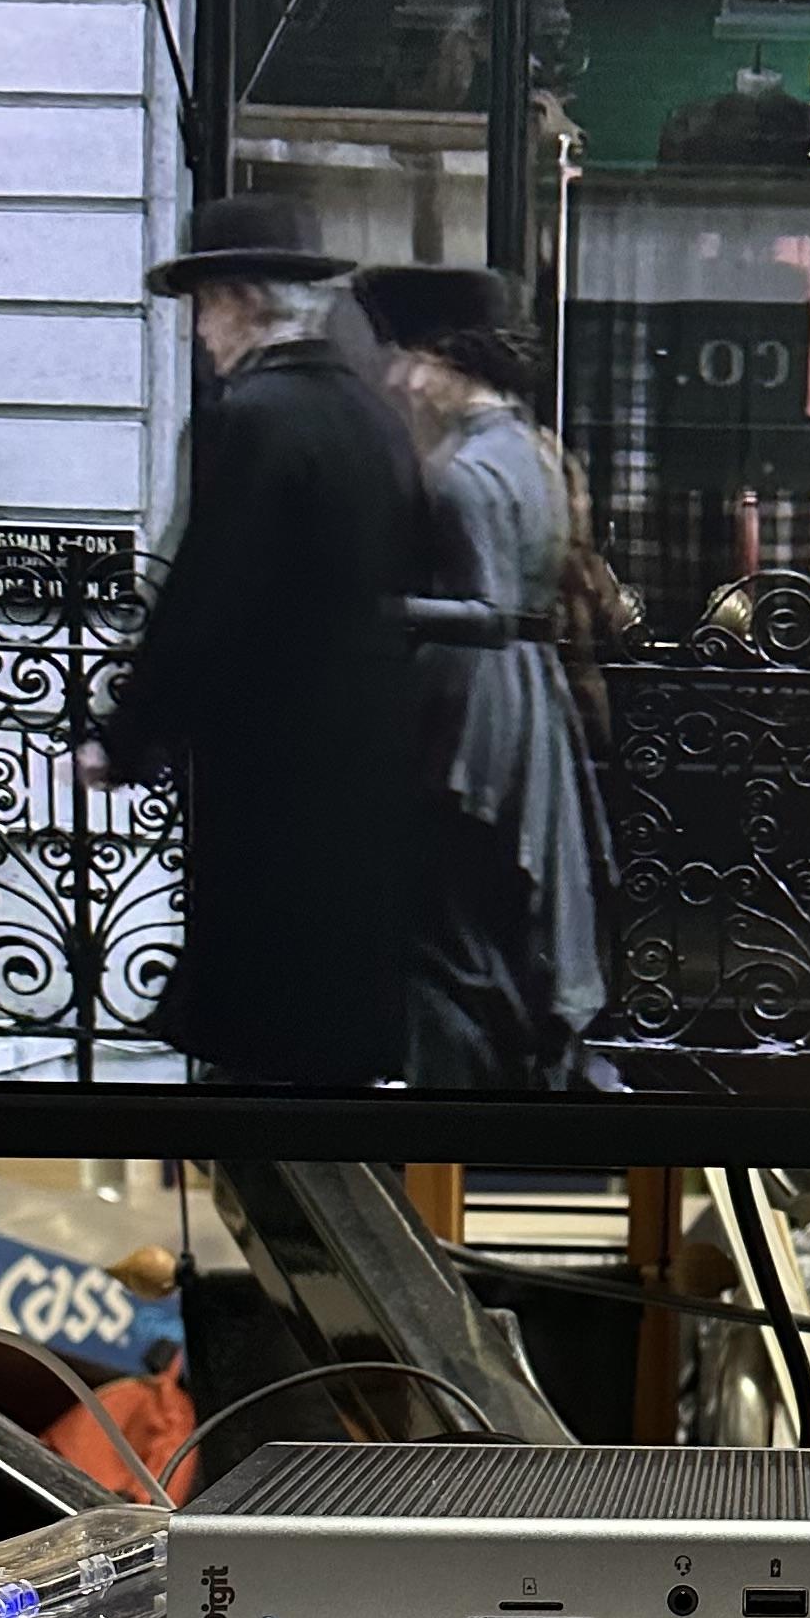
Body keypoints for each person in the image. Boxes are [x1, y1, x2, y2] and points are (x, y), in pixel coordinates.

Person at [94, 194, 428, 1084]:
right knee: (332, 1019)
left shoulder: (253, 416)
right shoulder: (370, 417)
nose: (201, 332)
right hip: (366, 750)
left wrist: (127, 737)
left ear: (240, 301)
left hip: (275, 756)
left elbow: (206, 595)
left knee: (263, 1027)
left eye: (206, 308)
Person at [353, 263, 618, 1093]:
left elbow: (489, 611)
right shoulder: (532, 452)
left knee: (452, 915)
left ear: (446, 360)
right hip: (527, 691)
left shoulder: (467, 471)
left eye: (406, 359)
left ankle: (465, 1084)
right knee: (492, 906)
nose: (397, 381)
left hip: (475, 702)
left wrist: (377, 607)